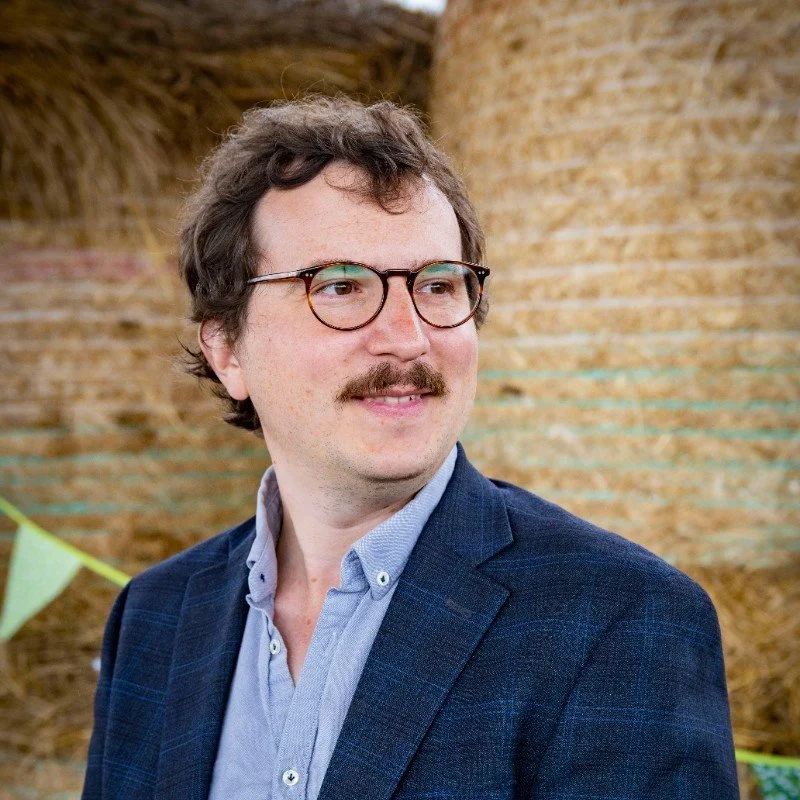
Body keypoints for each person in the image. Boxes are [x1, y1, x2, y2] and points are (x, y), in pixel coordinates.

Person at [83, 96, 739, 799]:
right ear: (227, 352)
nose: (408, 336)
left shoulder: (622, 620)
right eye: (340, 286)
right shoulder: (154, 618)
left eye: (437, 285)